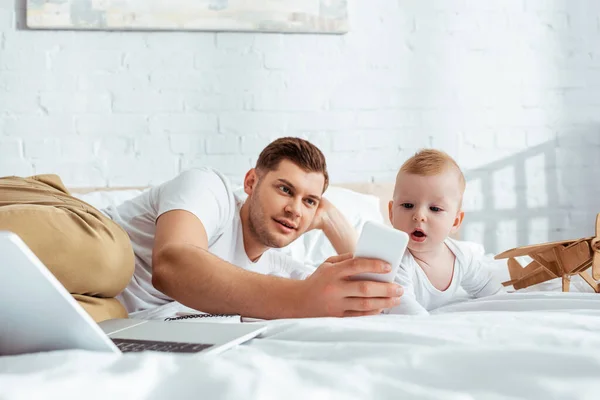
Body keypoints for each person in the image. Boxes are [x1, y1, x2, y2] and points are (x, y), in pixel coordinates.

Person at [0, 137, 403, 322]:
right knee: (113, 259)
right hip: (61, 217)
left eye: (309, 201)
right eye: (285, 189)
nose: (295, 209)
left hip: (84, 293)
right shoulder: (209, 188)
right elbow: (173, 265)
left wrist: (331, 218)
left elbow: (368, 292)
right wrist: (301, 298)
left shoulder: (278, 269)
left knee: (107, 318)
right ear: (250, 183)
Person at [386, 149, 505, 315]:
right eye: (407, 205)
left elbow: (491, 290)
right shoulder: (395, 260)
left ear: (455, 221)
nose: (419, 216)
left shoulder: (462, 256)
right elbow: (403, 306)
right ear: (391, 213)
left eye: (434, 208)